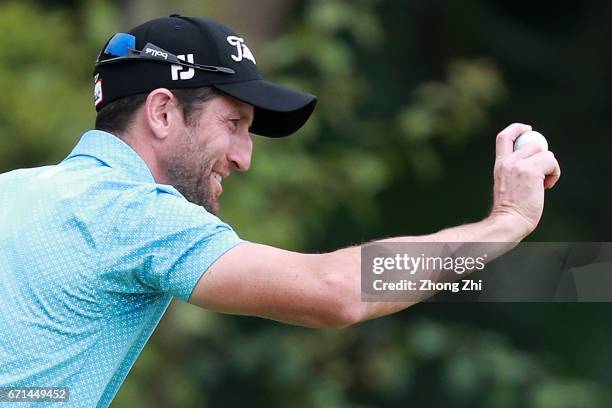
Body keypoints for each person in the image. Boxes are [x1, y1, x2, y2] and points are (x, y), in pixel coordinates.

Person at [0, 14, 561, 407]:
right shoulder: (134, 215)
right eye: (234, 124)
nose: (245, 158)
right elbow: (337, 292)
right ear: (164, 112)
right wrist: (507, 220)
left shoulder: (16, 190)